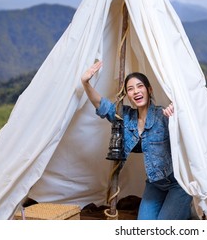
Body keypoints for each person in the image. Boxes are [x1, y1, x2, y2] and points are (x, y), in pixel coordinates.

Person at [81, 60, 192, 220]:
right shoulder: (126, 117)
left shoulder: (163, 115)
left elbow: (190, 128)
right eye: (130, 89)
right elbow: (101, 105)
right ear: (127, 95)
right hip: (154, 184)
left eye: (140, 86)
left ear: (149, 89)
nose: (136, 91)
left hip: (178, 183)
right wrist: (85, 82)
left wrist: (177, 113)